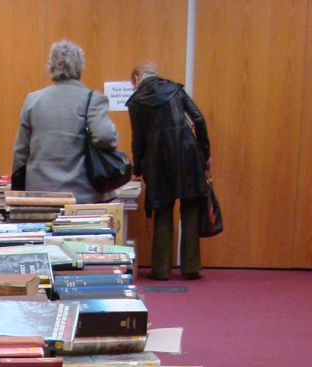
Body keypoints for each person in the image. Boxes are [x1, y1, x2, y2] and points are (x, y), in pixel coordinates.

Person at [127, 61, 211, 280]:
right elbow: (199, 118)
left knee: (163, 211)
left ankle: (161, 269)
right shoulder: (175, 89)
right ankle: (191, 267)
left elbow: (138, 140)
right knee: (190, 209)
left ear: (137, 78)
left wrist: (137, 168)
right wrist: (204, 151)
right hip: (187, 154)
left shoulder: (136, 101)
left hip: (157, 161)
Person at [12, 39, 119, 203]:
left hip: (39, 197)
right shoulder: (92, 99)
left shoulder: (32, 100)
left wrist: (18, 193)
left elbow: (20, 153)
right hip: (81, 196)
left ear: (51, 67)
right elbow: (105, 136)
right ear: (80, 66)